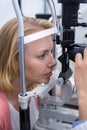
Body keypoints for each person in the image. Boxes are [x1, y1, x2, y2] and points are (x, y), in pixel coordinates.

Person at [0, 17, 57, 130]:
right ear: (15, 61)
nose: (53, 62)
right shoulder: (2, 111)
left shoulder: (33, 89)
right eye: (42, 56)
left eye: (51, 52)